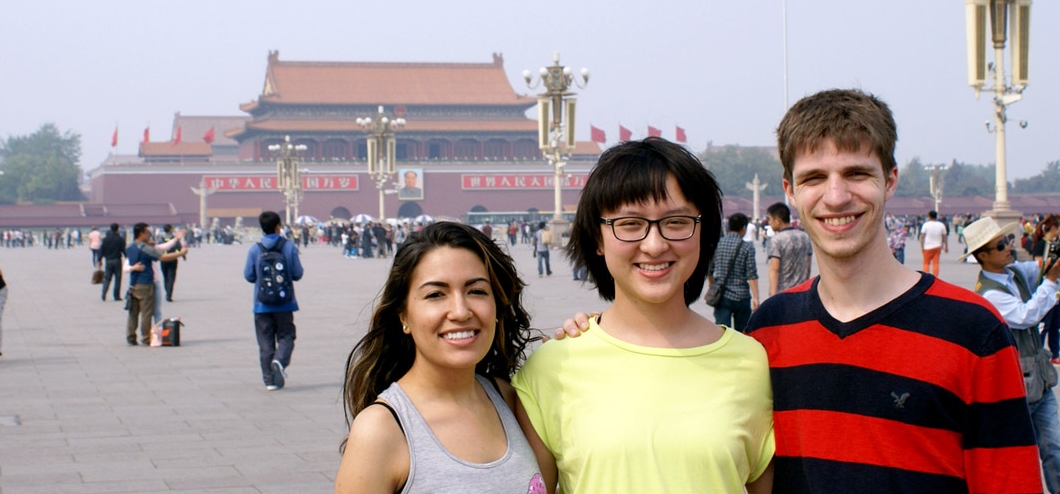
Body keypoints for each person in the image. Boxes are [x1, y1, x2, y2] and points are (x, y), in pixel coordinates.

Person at [557, 89, 1041, 492]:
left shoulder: (971, 329)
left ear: (890, 180)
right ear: (789, 190)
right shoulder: (769, 333)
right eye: (814, 178)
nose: (835, 196)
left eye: (856, 173)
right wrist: (591, 335)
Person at [516, 139, 774, 493]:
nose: (654, 245)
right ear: (598, 237)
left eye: (677, 222)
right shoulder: (551, 368)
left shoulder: (753, 364)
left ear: (704, 232)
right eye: (631, 224)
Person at [336, 222, 541, 493]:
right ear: (404, 315)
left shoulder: (510, 399)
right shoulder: (380, 431)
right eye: (435, 295)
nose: (460, 311)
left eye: (476, 291)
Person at [962, 216, 1060, 493]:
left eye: (1007, 241)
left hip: (1038, 380)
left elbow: (1038, 268)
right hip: (1014, 385)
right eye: (1001, 245)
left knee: (1055, 449)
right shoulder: (989, 294)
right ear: (982, 256)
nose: (1009, 246)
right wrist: (1052, 282)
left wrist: (1053, 255)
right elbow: (1026, 316)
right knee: (1019, 457)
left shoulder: (1012, 272)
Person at [244, 211, 304, 390]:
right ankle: (279, 360)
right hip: (285, 303)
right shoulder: (288, 247)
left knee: (265, 342)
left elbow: (248, 275)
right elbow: (297, 273)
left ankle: (269, 380)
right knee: (287, 335)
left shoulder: (255, 249)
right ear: (278, 226)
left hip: (261, 305)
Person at [125, 222, 187, 346]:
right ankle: (147, 338)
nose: (149, 235)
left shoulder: (130, 247)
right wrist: (181, 253)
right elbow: (163, 257)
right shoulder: (145, 248)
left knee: (133, 313)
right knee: (147, 313)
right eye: (147, 232)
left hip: (134, 284)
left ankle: (131, 337)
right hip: (146, 284)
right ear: (141, 233)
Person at [706, 213, 759, 330]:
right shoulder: (747, 247)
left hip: (722, 295)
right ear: (744, 228)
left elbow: (709, 270)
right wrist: (756, 297)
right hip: (741, 296)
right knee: (742, 333)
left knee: (722, 331)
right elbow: (751, 274)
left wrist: (712, 284)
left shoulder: (717, 244)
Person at [1031, 214, 1060, 363]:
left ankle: (1055, 354)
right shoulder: (1041, 245)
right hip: (1045, 288)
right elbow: (1039, 268)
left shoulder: (1056, 244)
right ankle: (1038, 352)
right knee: (1044, 324)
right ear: (1054, 228)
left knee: (1056, 324)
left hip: (1057, 290)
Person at [765, 202, 813, 295]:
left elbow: (775, 269)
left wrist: (773, 294)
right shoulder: (805, 237)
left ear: (778, 220)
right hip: (801, 291)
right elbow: (808, 267)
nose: (769, 223)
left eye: (770, 219)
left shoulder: (776, 240)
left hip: (783, 293)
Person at [97, 223, 126, 302]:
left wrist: (99, 260)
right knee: (118, 278)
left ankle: (104, 293)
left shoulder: (105, 239)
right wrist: (127, 258)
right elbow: (123, 250)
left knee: (107, 278)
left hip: (108, 261)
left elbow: (101, 250)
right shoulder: (120, 239)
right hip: (117, 260)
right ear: (117, 229)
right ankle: (116, 296)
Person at [919, 209, 948, 275]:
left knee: (926, 263)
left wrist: (921, 246)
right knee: (936, 263)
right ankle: (935, 277)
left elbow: (922, 237)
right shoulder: (941, 225)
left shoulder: (926, 225)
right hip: (938, 246)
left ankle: (926, 276)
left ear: (929, 216)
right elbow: (944, 237)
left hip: (928, 247)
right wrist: (946, 246)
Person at [158, 224, 182, 302]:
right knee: (171, 277)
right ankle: (169, 294)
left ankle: (167, 291)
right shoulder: (174, 238)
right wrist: (183, 255)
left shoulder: (161, 238)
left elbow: (158, 248)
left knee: (165, 277)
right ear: (170, 229)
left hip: (164, 259)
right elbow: (179, 247)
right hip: (173, 259)